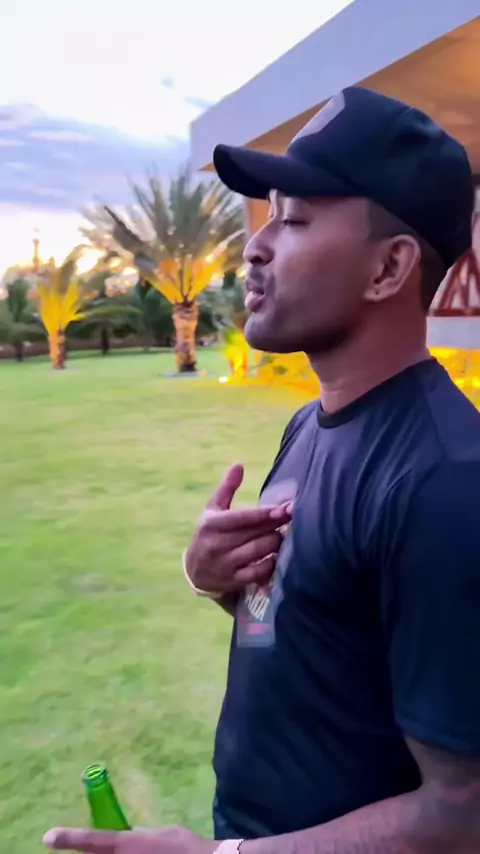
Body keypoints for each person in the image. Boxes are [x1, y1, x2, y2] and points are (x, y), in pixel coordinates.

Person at [43, 87, 480, 854]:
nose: (256, 245)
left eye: (295, 219)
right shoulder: (310, 426)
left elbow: (461, 816)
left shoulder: (446, 483)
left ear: (388, 267)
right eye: (267, 215)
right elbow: (335, 635)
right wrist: (215, 580)